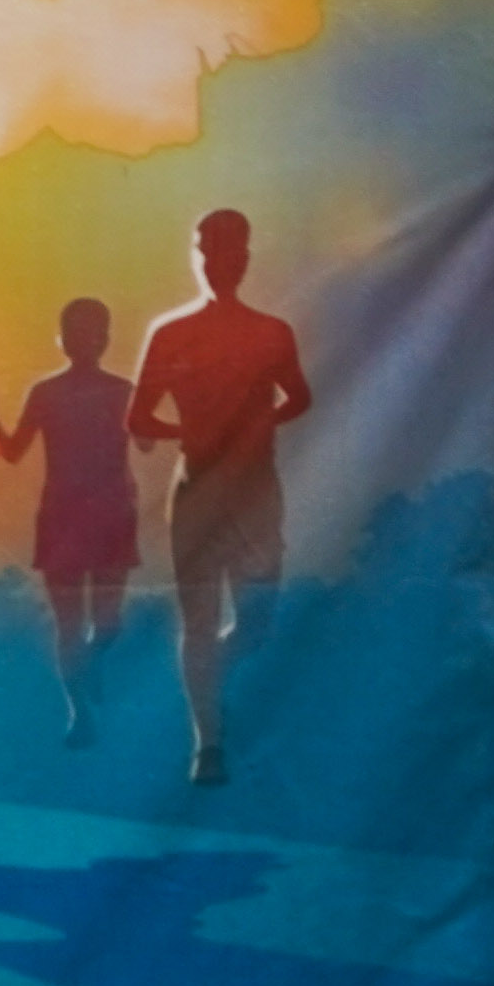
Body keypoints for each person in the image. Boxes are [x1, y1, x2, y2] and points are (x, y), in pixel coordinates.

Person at [127, 209, 314, 787]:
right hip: (197, 493)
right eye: (207, 251)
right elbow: (138, 418)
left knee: (258, 621)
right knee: (199, 619)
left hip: (256, 492)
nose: (217, 263)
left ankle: (215, 683)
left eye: (228, 252)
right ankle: (206, 743)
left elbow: (299, 396)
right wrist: (187, 432)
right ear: (196, 258)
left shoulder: (271, 333)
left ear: (245, 260)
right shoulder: (171, 334)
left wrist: (263, 422)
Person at [0, 294, 139, 746]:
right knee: (72, 624)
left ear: (105, 339)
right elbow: (14, 452)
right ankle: (78, 711)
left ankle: (88, 671)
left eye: (93, 333)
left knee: (106, 623)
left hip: (109, 514)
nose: (86, 341)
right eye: (78, 333)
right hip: (66, 516)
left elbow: (149, 441)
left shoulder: (123, 391)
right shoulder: (48, 392)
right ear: (64, 339)